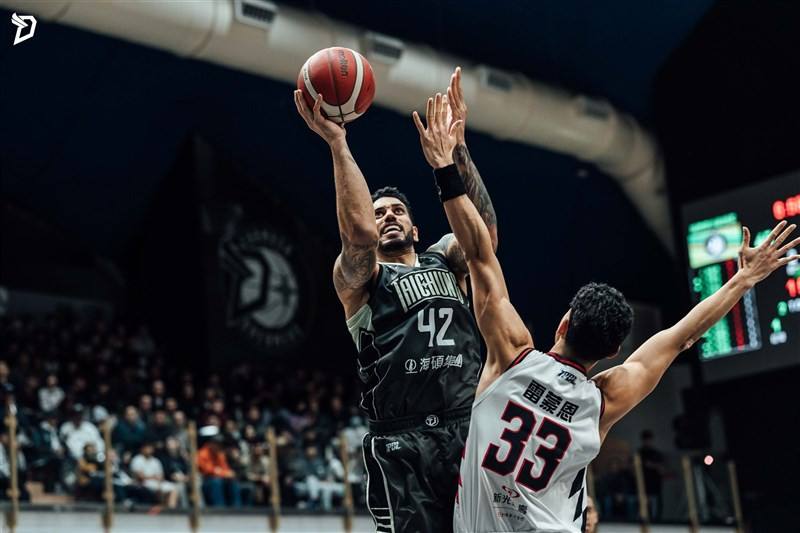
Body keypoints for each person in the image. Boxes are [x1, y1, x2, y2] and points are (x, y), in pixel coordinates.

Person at [412, 91, 800, 532]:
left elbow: (480, 253)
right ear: (615, 350)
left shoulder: (511, 354)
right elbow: (679, 337)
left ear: (563, 322)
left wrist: (446, 164)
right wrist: (742, 280)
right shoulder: (604, 399)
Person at [294, 66, 497, 532]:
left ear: (416, 228)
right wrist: (338, 143)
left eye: (397, 211)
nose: (387, 217)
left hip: (466, 426)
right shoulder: (359, 280)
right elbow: (360, 233)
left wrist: (456, 150)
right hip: (404, 440)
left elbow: (484, 236)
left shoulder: (444, 259)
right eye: (381, 210)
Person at [639, 429, 666, 520]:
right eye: (646, 440)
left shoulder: (656, 454)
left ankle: (656, 520)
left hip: (655, 482)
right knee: (644, 503)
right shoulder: (639, 453)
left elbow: (662, 468)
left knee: (655, 504)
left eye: (649, 440)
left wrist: (652, 465)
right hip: (643, 482)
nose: (648, 442)